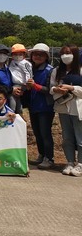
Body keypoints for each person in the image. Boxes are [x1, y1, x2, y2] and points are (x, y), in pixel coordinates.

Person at [50, 44, 82, 175]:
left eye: (68, 53)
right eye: (62, 53)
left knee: (80, 138)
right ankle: (69, 162)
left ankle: (80, 164)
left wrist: (71, 88)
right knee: (67, 137)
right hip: (63, 108)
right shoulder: (56, 71)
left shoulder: (80, 70)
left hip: (77, 108)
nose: (65, 56)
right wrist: (56, 89)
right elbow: (51, 88)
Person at [25, 43, 55, 168]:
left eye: (41, 54)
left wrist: (35, 86)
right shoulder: (30, 68)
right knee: (37, 132)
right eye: (35, 54)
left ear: (46, 57)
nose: (37, 56)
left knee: (45, 133)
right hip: (34, 105)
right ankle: (41, 155)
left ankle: (49, 158)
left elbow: (51, 89)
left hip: (45, 106)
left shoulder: (50, 70)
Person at [9, 43, 33, 114]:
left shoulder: (25, 63)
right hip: (13, 84)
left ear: (24, 55)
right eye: (15, 54)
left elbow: (29, 73)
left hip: (22, 84)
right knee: (17, 100)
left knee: (12, 97)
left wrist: (28, 84)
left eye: (20, 54)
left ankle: (12, 112)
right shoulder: (12, 62)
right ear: (12, 55)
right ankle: (18, 113)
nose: (17, 56)